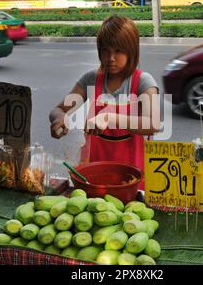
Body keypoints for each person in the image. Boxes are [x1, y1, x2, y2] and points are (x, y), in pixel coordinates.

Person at [49, 15, 161, 189]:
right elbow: (58, 110)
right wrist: (59, 118)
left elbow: (152, 123)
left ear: (132, 51)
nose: (111, 58)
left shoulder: (143, 82)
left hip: (132, 179)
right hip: (93, 175)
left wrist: (109, 117)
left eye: (118, 51)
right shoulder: (91, 79)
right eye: (105, 50)